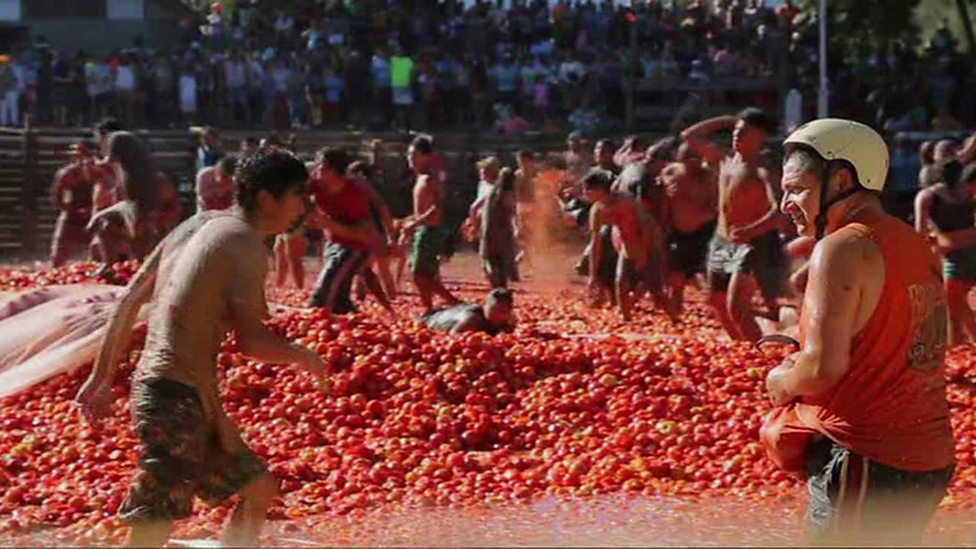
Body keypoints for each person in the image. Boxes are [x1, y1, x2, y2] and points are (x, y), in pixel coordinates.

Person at [75, 148, 327, 547]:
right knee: (155, 518)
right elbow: (251, 341)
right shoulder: (246, 245)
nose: (306, 207)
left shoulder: (199, 223)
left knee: (258, 488)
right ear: (267, 198)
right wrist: (305, 357)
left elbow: (129, 299)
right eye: (299, 195)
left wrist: (101, 377)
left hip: (174, 391)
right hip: (175, 398)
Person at [764, 119, 954, 545]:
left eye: (796, 189)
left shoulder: (841, 247)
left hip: (869, 455)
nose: (786, 203)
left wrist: (779, 379)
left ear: (843, 179)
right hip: (925, 456)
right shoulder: (909, 240)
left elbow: (822, 368)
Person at [682, 108, 784, 341]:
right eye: (736, 131)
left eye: (744, 132)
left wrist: (751, 230)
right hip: (721, 241)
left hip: (752, 242)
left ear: (761, 137)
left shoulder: (762, 169)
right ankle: (741, 346)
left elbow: (779, 210)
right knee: (715, 300)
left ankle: (757, 355)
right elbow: (689, 137)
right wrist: (726, 120)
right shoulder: (725, 159)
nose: (736, 135)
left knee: (736, 307)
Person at [584, 169, 670, 321]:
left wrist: (644, 254)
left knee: (655, 289)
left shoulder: (627, 202)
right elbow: (595, 243)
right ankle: (626, 319)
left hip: (650, 243)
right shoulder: (597, 211)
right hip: (627, 245)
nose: (585, 193)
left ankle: (674, 317)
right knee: (621, 282)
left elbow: (646, 228)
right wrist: (592, 275)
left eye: (588, 190)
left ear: (600, 189)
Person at [306, 148, 384, 314]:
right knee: (339, 300)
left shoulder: (353, 195)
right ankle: (360, 329)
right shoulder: (316, 183)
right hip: (334, 244)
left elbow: (366, 234)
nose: (317, 170)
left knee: (322, 296)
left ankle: (317, 329)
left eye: (322, 167)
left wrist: (331, 225)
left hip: (354, 248)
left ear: (334, 172)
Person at [915, 159, 976, 346]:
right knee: (959, 306)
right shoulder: (969, 192)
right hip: (971, 248)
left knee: (953, 309)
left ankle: (958, 351)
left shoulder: (927, 196)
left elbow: (920, 231)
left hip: (951, 255)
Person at [660, 143, 719, 315]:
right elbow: (662, 199)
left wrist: (694, 209)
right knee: (675, 279)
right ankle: (674, 318)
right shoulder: (669, 172)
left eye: (694, 157)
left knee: (709, 276)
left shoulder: (708, 176)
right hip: (677, 232)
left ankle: (721, 313)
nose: (690, 161)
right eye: (685, 157)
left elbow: (715, 207)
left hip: (703, 232)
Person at [403, 136, 460, 313]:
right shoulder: (420, 178)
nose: (410, 159)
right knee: (421, 272)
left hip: (431, 230)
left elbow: (437, 209)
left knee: (418, 275)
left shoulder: (431, 178)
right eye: (409, 155)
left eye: (414, 155)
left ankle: (454, 302)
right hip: (423, 228)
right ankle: (428, 308)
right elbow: (424, 209)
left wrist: (415, 224)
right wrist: (412, 220)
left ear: (426, 156)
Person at [49, 141, 98, 267]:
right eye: (77, 156)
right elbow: (56, 198)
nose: (81, 160)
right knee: (58, 256)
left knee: (99, 251)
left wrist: (94, 210)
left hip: (96, 216)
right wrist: (71, 210)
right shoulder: (66, 174)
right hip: (72, 216)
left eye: (85, 156)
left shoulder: (100, 173)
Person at [480, 167, 519, 288]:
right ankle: (500, 286)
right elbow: (511, 210)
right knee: (501, 261)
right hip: (502, 231)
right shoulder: (507, 194)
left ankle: (497, 285)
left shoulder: (492, 192)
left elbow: (476, 208)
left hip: (489, 229)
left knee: (491, 259)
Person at [422, 288, 515, 335]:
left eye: (503, 311)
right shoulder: (473, 319)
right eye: (494, 309)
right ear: (485, 306)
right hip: (430, 321)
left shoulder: (510, 321)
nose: (497, 315)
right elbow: (454, 336)